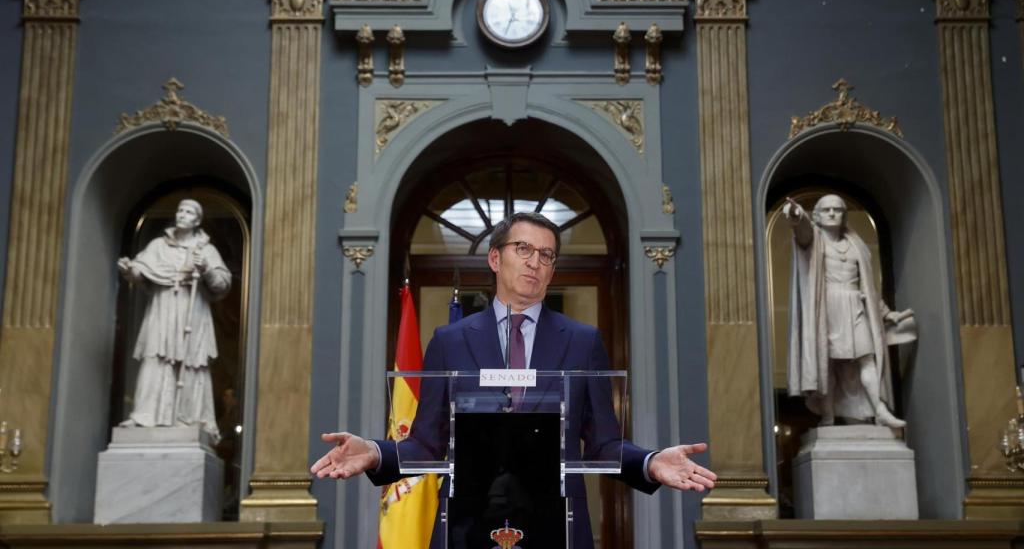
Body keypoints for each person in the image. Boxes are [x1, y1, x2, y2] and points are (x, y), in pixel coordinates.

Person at [311, 212, 717, 548]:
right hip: (467, 524)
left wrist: (649, 462)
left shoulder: (582, 341)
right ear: (494, 259)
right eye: (523, 249)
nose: (534, 262)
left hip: (557, 522)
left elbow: (603, 443)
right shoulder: (449, 341)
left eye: (546, 255)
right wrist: (376, 453)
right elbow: (426, 443)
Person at [783, 194, 908, 428]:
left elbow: (868, 286)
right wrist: (796, 215)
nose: (832, 213)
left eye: (838, 210)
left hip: (856, 306)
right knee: (827, 363)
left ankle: (879, 410)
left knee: (867, 358)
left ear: (844, 215)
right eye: (827, 210)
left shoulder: (856, 244)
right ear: (817, 216)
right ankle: (828, 414)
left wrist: (886, 313)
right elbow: (802, 231)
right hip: (827, 309)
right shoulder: (814, 240)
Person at [118, 198, 231, 443]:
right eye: (180, 210)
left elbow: (222, 283)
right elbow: (141, 269)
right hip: (163, 309)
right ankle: (144, 415)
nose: (182, 214)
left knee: (192, 363)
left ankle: (190, 417)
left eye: (189, 211)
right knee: (155, 356)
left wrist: (206, 270)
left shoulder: (205, 250)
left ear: (197, 220)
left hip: (193, 312)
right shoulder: (159, 245)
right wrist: (130, 270)